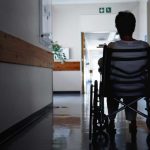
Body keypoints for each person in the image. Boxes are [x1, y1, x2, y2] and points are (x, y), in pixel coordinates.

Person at [99, 11, 150, 133]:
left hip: (116, 88)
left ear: (117, 27)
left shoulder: (112, 47)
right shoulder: (144, 46)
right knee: (131, 92)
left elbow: (103, 65)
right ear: (134, 26)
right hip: (140, 88)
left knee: (112, 89)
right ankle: (132, 122)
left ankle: (111, 121)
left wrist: (101, 64)